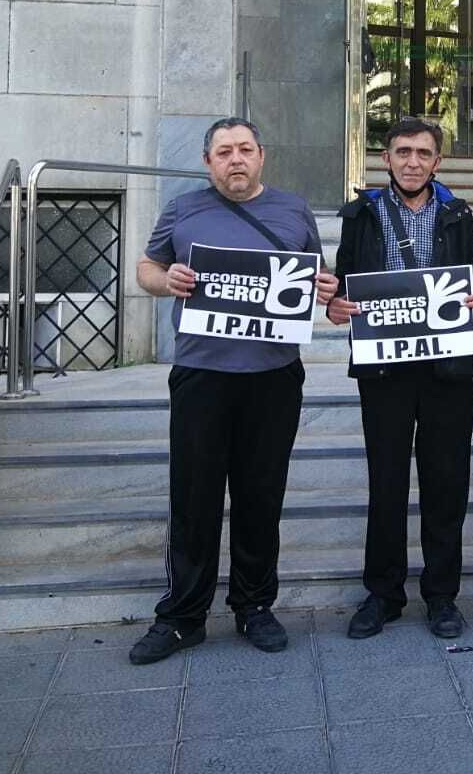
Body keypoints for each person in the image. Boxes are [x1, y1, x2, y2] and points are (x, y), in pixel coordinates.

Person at [127, 117, 338, 664]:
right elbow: (146, 268)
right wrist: (164, 279)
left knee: (260, 496)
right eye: (224, 152)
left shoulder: (293, 211)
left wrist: (325, 288)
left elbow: (316, 278)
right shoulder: (183, 210)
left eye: (245, 149)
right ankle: (182, 617)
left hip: (273, 377)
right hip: (202, 374)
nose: (236, 159)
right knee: (193, 498)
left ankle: (253, 607)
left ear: (262, 156)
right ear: (207, 162)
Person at [326, 117, 473, 640]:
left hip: (447, 370)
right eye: (403, 152)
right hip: (385, 372)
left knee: (447, 484)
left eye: (424, 153)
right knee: (387, 482)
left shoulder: (456, 212)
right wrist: (335, 306)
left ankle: (442, 596)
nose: (413, 162)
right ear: (387, 159)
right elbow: (342, 286)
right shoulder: (360, 216)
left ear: (438, 162)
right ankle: (383, 594)